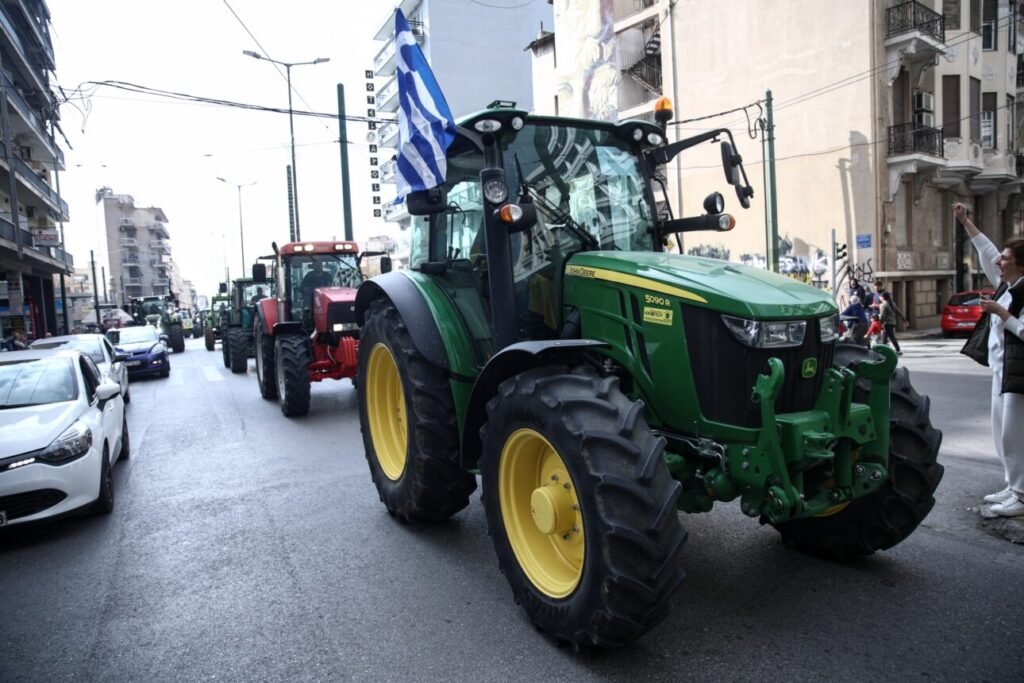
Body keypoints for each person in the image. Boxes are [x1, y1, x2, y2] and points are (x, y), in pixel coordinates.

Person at [954, 201, 1024, 517]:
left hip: (1018, 375)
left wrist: (1003, 314)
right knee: (1002, 434)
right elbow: (986, 250)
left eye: (1006, 259)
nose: (999, 261)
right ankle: (1013, 486)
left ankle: (1021, 495)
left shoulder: (1017, 295)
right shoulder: (1006, 286)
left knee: (1015, 434)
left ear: (1020, 265)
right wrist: (965, 221)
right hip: (1001, 371)